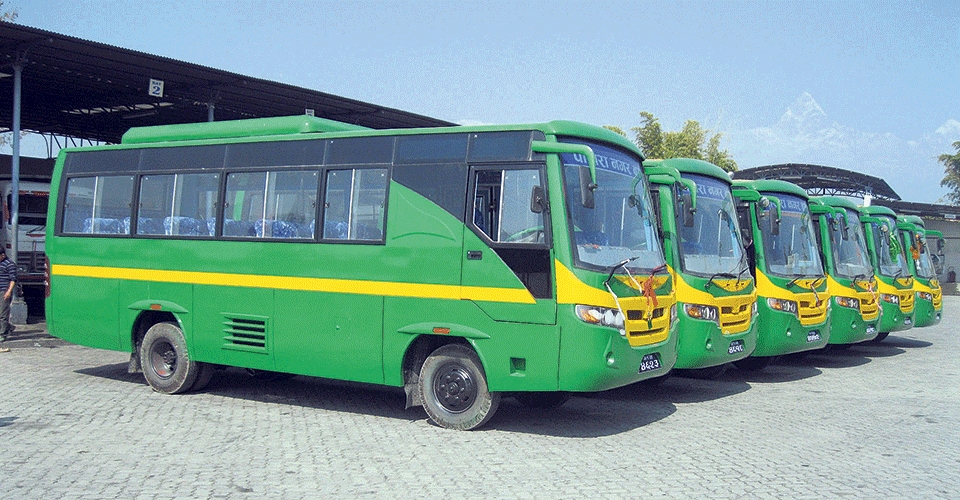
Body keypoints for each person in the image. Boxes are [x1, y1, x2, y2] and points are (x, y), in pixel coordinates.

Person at [0, 248, 16, 352]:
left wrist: (8, 291)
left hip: (4, 291)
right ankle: (8, 327)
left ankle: (2, 334)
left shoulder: (10, 264)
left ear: (2, 255)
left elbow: (13, 279)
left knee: (3, 313)